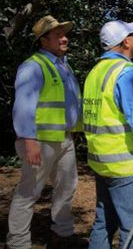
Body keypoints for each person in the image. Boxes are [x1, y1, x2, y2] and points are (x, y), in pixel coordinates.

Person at [83, 19, 133, 249]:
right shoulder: (128, 73)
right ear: (126, 42)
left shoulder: (95, 72)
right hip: (127, 166)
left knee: (103, 224)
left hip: (102, 164)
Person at [7, 15, 82, 248]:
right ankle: (18, 243)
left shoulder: (63, 65)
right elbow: (23, 106)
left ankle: (62, 235)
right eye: (58, 35)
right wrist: (29, 140)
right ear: (43, 40)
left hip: (63, 138)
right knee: (29, 193)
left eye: (64, 34)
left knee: (67, 186)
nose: (64, 38)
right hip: (39, 140)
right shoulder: (33, 66)